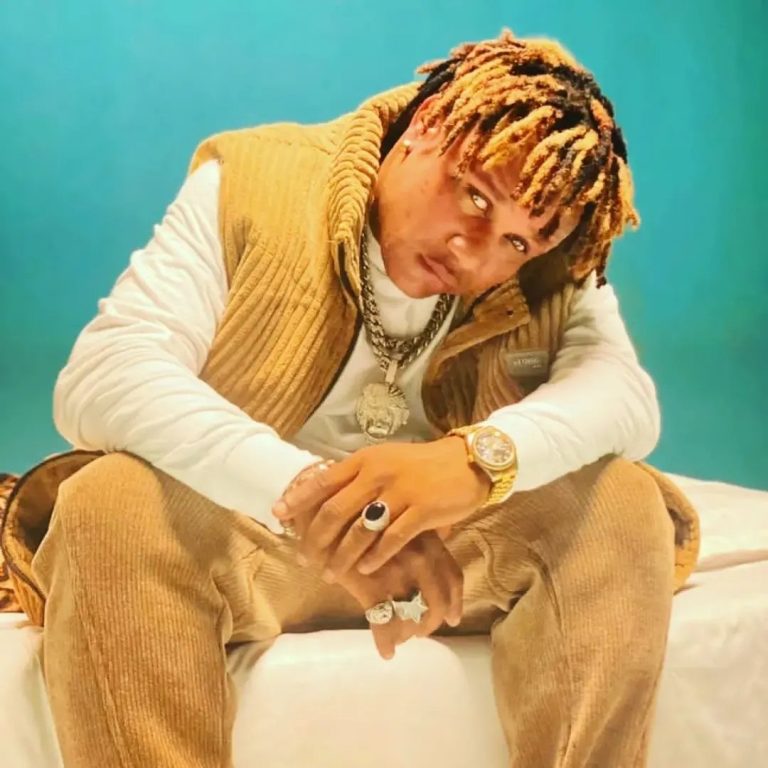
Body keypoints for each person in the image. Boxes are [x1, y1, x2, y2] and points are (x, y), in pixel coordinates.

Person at [0, 29, 699, 768]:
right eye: (473, 196)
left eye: (518, 243)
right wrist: (322, 503)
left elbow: (625, 396)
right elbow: (106, 370)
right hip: (256, 529)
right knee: (107, 503)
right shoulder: (256, 179)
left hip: (449, 552)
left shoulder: (559, 245)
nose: (478, 253)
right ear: (427, 126)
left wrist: (476, 462)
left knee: (622, 502)